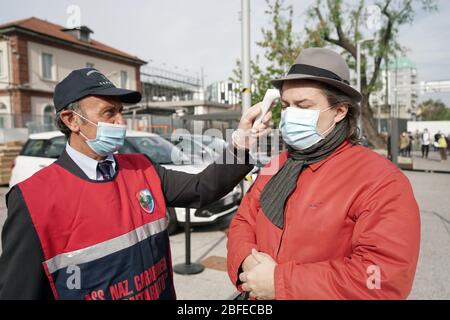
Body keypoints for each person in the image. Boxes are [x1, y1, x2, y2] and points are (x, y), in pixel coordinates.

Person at [0, 68, 271, 300]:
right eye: (109, 113)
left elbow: (204, 187)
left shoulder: (140, 168)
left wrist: (241, 143)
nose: (121, 122)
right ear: (71, 120)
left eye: (120, 111)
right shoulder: (33, 199)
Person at [227, 48, 420, 300]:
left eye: (303, 106)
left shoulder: (382, 181)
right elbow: (243, 222)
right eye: (286, 106)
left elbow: (382, 278)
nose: (290, 114)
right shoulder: (278, 163)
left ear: (340, 111)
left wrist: (280, 282)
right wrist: (247, 264)